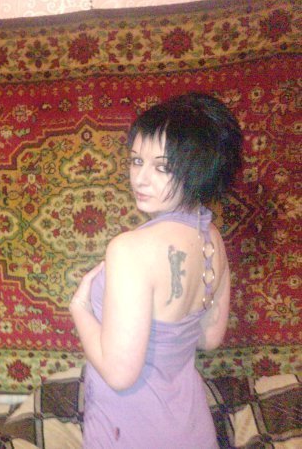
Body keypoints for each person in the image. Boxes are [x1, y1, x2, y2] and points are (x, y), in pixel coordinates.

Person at [69, 92, 242, 448]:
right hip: (191, 429)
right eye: (136, 161)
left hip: (131, 432)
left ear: (198, 170)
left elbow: (119, 374)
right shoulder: (211, 237)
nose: (140, 179)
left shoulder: (130, 249)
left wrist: (79, 309)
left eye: (163, 167)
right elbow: (209, 338)